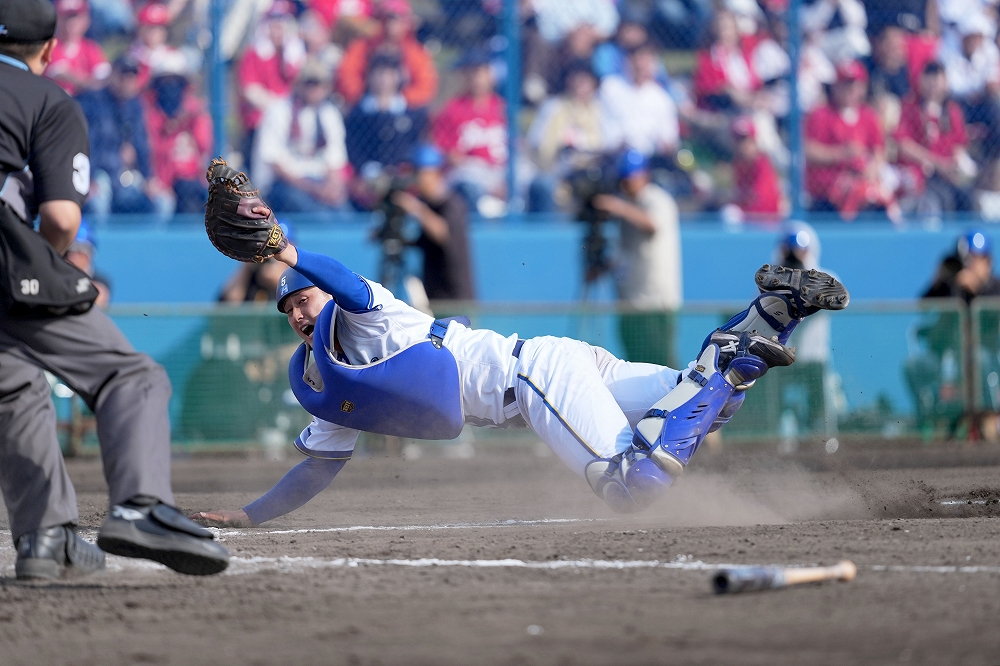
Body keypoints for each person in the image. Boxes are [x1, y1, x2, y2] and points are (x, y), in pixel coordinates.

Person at [189, 199, 849, 526]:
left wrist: (284, 250)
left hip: (534, 381)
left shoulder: (366, 314)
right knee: (705, 407)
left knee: (631, 486)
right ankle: (770, 314)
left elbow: (340, 279)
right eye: (287, 309)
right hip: (550, 365)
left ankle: (728, 355)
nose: (298, 313)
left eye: (302, 298)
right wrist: (250, 515)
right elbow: (317, 466)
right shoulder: (327, 377)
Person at [0, 0, 228, 580]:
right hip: (6, 263)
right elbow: (61, 217)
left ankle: (47, 539)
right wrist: (39, 264)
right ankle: (140, 507)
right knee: (131, 377)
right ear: (49, 50)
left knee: (16, 386)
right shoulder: (47, 98)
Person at [593, 150, 681, 368]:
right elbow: (626, 251)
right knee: (634, 364)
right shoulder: (626, 202)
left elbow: (652, 224)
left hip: (654, 301)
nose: (626, 183)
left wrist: (617, 206)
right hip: (629, 300)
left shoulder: (655, 198)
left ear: (645, 175)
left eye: (630, 177)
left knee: (659, 362)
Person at [804, 60, 898, 219]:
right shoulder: (820, 114)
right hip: (828, 187)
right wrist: (840, 154)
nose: (850, 90)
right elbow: (809, 150)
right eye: (845, 85)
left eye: (854, 85)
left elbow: (879, 151)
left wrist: (872, 169)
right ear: (835, 87)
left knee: (881, 193)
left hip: (863, 181)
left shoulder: (868, 116)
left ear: (863, 88)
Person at [253, 60, 349, 213]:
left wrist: (332, 187)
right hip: (285, 184)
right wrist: (313, 188)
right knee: (317, 214)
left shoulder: (329, 114)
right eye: (310, 84)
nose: (315, 89)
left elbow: (335, 160)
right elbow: (275, 163)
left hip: (320, 181)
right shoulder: (279, 111)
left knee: (344, 213)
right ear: (298, 85)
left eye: (320, 84)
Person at [391, 144, 476, 301]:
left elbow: (442, 233)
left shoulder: (452, 203)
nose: (416, 179)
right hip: (435, 295)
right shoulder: (428, 204)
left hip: (455, 297)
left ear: (435, 173)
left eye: (420, 173)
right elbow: (425, 243)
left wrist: (416, 208)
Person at [76, 55, 156, 215]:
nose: (127, 82)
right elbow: (87, 145)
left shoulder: (135, 106)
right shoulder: (93, 102)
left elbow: (142, 145)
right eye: (123, 76)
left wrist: (149, 178)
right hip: (98, 172)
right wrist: (88, 179)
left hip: (126, 174)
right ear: (112, 75)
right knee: (99, 201)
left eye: (131, 77)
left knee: (161, 201)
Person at [894, 61, 976, 213]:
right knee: (942, 198)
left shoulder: (952, 111)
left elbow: (959, 144)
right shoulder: (910, 107)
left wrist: (954, 165)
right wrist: (938, 164)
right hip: (923, 171)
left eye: (937, 79)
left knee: (968, 196)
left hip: (949, 172)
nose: (933, 84)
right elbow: (904, 145)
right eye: (929, 78)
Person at [431, 50, 508, 211]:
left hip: (502, 172)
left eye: (480, 72)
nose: (476, 78)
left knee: (537, 183)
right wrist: (489, 184)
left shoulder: (503, 108)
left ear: (490, 75)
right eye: (471, 73)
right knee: (467, 182)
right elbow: (450, 155)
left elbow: (516, 146)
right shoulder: (452, 109)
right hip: (470, 173)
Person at [144, 51, 213, 216]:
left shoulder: (196, 113)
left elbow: (204, 145)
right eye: (165, 81)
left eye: (176, 81)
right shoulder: (150, 113)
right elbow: (151, 149)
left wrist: (186, 117)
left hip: (191, 180)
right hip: (160, 181)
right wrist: (171, 126)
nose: (171, 86)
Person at [336, 0, 438, 109]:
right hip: (364, 105)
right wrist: (362, 97)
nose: (391, 25)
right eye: (387, 19)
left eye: (397, 20)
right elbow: (346, 75)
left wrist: (401, 100)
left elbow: (425, 86)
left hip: (403, 109)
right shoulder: (364, 46)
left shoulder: (414, 51)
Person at [344, 54, 428, 176]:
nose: (384, 80)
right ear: (369, 76)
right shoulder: (356, 115)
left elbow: (416, 144)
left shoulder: (414, 114)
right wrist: (366, 168)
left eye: (389, 74)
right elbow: (351, 147)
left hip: (403, 174)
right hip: (364, 175)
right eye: (379, 73)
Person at [44, 0, 111, 96]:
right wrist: (89, 83)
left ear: (86, 20)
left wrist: (92, 83)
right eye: (66, 18)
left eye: (76, 18)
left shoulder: (90, 48)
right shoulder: (49, 46)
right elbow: (59, 73)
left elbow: (104, 75)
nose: (71, 24)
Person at [728, 115, 784, 219]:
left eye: (744, 140)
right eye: (737, 140)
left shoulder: (762, 164)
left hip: (765, 222)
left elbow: (765, 205)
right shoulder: (739, 164)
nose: (741, 145)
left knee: (730, 213)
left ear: (753, 140)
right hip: (749, 217)